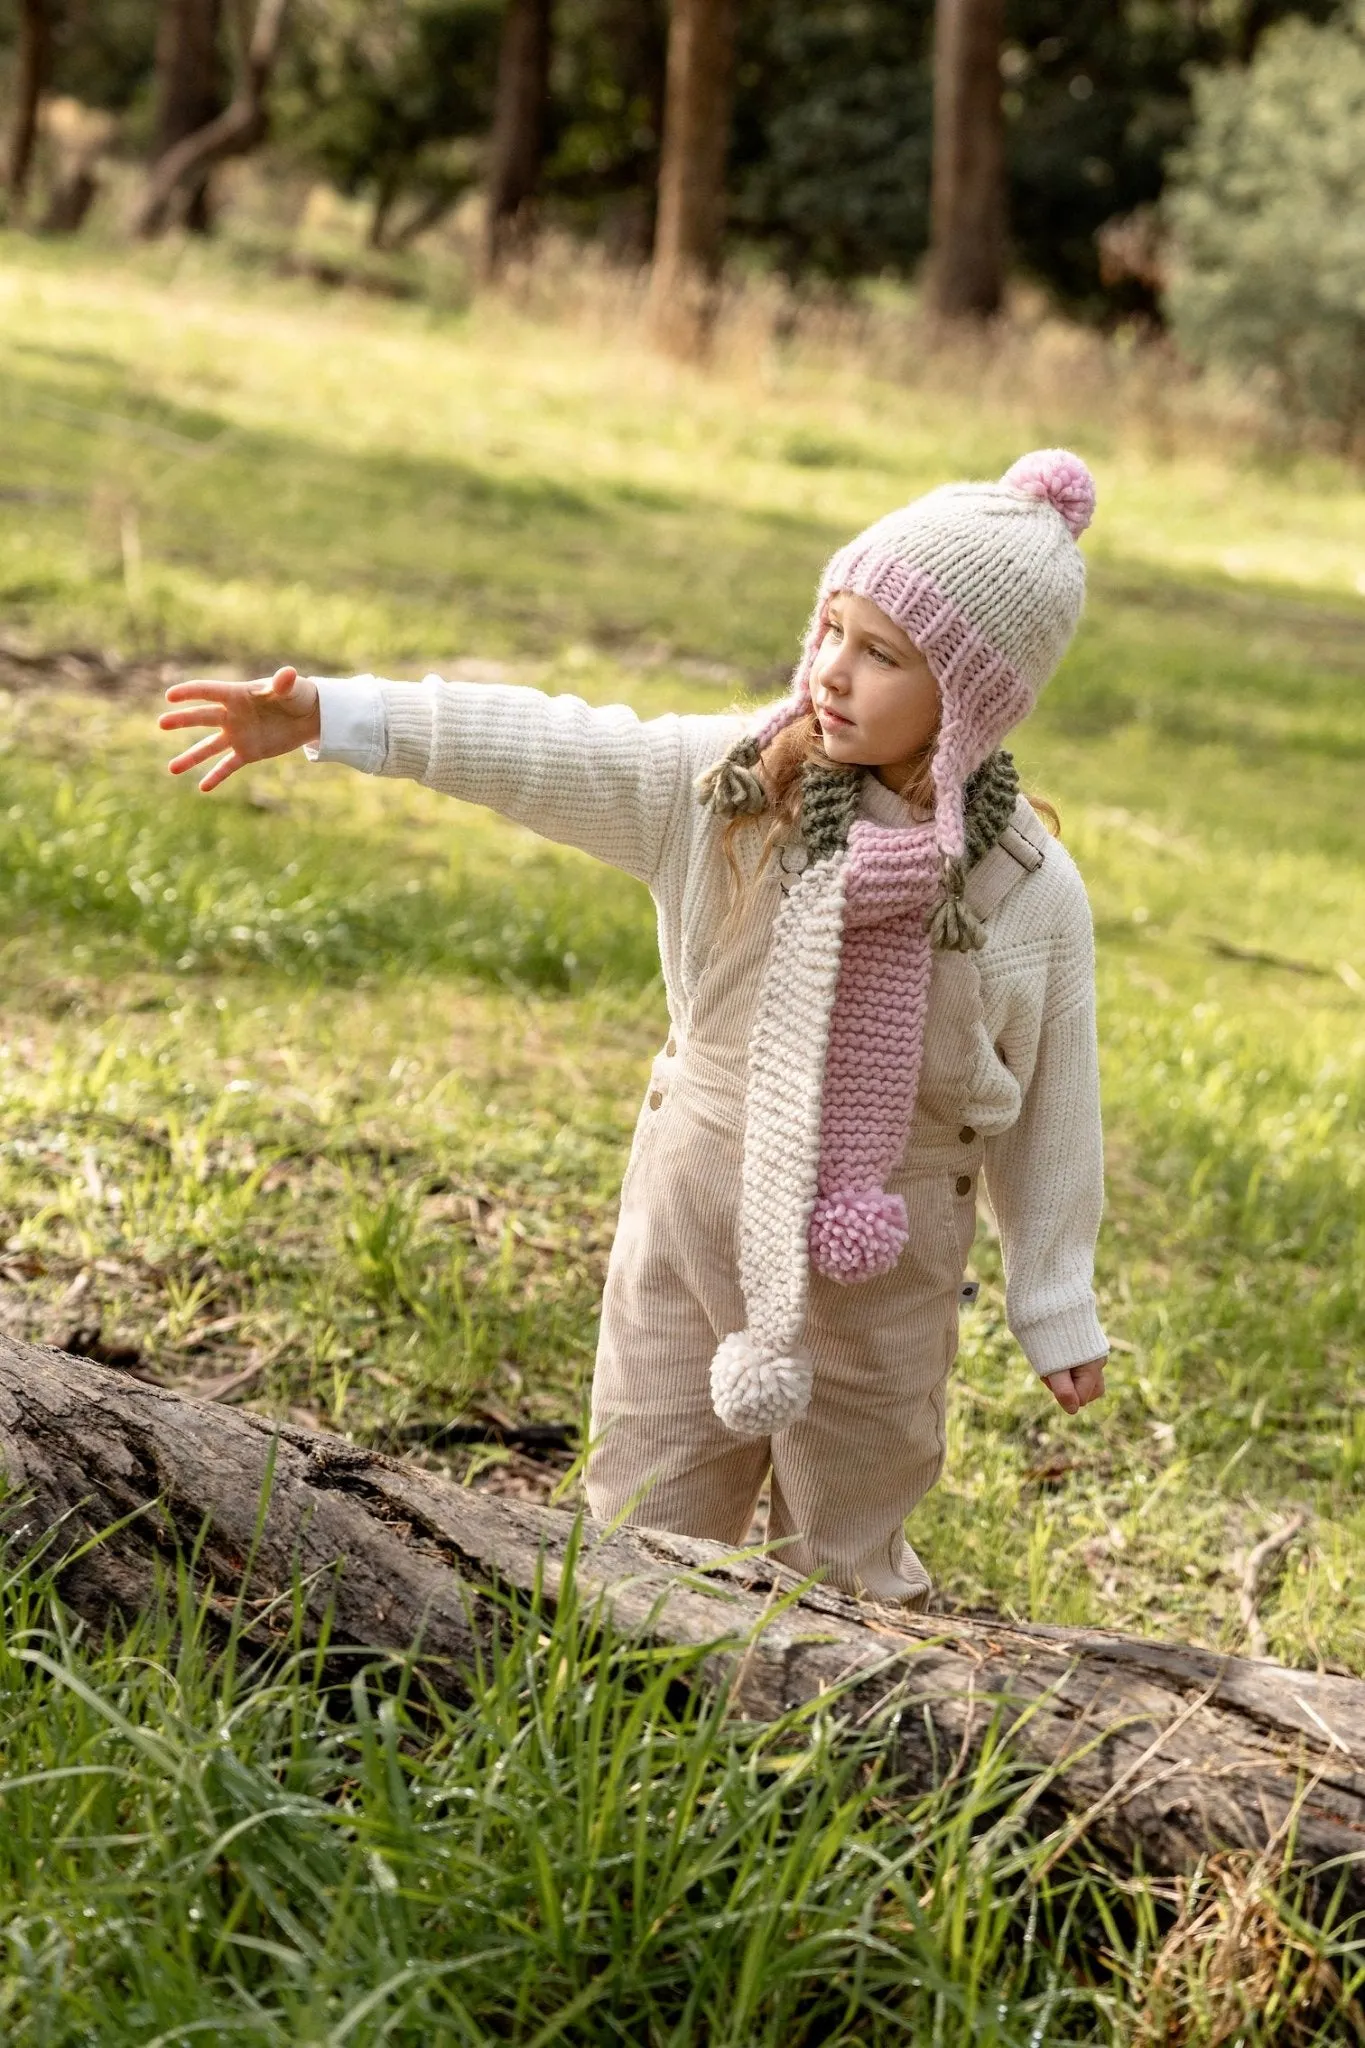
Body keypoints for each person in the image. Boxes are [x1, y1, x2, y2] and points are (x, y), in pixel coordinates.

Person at [160, 446, 1108, 1608]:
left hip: (886, 1254)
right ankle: (630, 1710)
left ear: (970, 698)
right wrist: (337, 714)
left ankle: (838, 1729)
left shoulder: (1023, 886)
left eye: (882, 653)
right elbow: (545, 742)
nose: (833, 671)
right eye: (830, 628)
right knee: (644, 1517)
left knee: (851, 1538)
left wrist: (1053, 1293)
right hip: (697, 1205)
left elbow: (1055, 1103)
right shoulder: (726, 788)